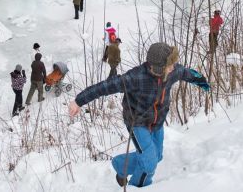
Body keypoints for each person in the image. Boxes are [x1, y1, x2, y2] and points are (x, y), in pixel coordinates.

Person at [68, 43, 210, 188]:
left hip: (157, 122)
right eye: (169, 65)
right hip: (137, 123)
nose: (173, 67)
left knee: (157, 157)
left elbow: (187, 73)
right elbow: (104, 87)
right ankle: (137, 187)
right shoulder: (135, 78)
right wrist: (79, 101)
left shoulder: (173, 72)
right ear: (158, 68)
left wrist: (202, 81)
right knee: (149, 165)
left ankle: (120, 165)